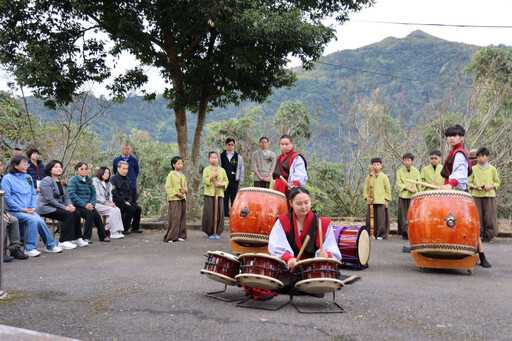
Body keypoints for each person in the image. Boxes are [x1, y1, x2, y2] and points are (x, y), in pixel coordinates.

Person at [440, 124, 491, 268]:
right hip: (453, 192)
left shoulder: (459, 154)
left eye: (455, 136)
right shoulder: (453, 152)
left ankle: (481, 255)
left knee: (468, 224)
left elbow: (461, 173)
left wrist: (451, 184)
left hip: (458, 193)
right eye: (449, 136)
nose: (451, 138)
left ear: (461, 137)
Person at [2, 155, 63, 257]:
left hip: (29, 210)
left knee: (39, 220)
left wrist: (32, 208)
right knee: (33, 220)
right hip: (15, 211)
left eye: (27, 164)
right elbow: (7, 198)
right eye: (24, 164)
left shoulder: (28, 177)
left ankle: (50, 245)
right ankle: (29, 248)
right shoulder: (7, 179)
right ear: (15, 165)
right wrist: (22, 209)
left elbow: (33, 195)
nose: (27, 166)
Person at [268, 186, 341, 268]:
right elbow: (275, 246)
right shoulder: (282, 222)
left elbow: (333, 249)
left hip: (314, 268)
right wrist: (288, 258)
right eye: (299, 204)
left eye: (306, 202)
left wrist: (326, 254)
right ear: (291, 203)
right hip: (290, 266)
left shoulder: (322, 223)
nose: (303, 207)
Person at [37, 160, 89, 249]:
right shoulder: (46, 181)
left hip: (58, 206)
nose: (59, 169)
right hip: (46, 207)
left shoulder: (62, 182)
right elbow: (50, 199)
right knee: (68, 214)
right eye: (56, 167)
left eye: (60, 167)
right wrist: (65, 207)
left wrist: (70, 206)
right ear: (50, 169)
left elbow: (66, 197)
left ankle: (76, 238)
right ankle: (63, 241)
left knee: (76, 212)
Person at [68, 162, 109, 243]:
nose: (84, 170)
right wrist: (85, 204)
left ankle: (103, 236)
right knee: (90, 214)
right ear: (77, 171)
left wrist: (91, 204)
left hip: (89, 205)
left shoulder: (89, 180)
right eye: (82, 169)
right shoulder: (73, 180)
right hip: (77, 205)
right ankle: (86, 237)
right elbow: (72, 195)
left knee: (96, 215)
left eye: (86, 169)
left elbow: (94, 194)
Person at [468, 147, 501, 242]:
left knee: (489, 215)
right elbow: (469, 182)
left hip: (490, 195)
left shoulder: (492, 169)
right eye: (478, 156)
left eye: (483, 156)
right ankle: (479, 235)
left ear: (488, 157)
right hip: (476, 195)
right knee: (477, 215)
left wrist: (490, 186)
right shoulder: (473, 169)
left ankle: (489, 235)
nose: (480, 158)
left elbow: (497, 182)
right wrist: (475, 187)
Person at [1, 159, 28, 262]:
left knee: (13, 220)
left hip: (3, 211)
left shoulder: (3, 180)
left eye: (0, 165)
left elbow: (2, 201)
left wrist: (4, 212)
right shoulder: (7, 179)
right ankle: (1, 252)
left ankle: (14, 249)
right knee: (3, 221)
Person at [93, 167, 125, 239]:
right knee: (113, 210)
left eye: (108, 173)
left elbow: (110, 195)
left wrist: (111, 203)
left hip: (106, 204)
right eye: (105, 173)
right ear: (100, 172)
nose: (107, 175)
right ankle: (113, 232)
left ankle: (118, 230)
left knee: (117, 209)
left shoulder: (108, 183)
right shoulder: (95, 181)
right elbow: (96, 196)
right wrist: (106, 203)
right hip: (97, 203)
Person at [202, 152, 229, 239]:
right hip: (210, 194)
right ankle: (210, 232)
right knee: (210, 213)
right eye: (212, 157)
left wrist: (221, 184)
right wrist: (212, 176)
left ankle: (218, 231)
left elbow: (226, 181)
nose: (214, 159)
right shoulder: (206, 169)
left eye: (215, 157)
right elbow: (205, 181)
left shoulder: (222, 170)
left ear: (218, 159)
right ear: (208, 159)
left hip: (219, 194)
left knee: (219, 212)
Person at [111, 161, 142, 234]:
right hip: (117, 201)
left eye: (127, 169)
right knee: (130, 209)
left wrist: (129, 200)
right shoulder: (113, 179)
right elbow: (114, 193)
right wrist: (124, 201)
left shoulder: (128, 179)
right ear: (118, 169)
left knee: (138, 209)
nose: (125, 171)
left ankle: (135, 228)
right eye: (123, 168)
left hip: (127, 201)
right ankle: (123, 228)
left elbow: (130, 192)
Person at [364, 158, 391, 239]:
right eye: (374, 165)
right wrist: (367, 197)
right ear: (372, 166)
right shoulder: (369, 177)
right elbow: (365, 189)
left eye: (378, 165)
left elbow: (387, 189)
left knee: (381, 219)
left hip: (381, 201)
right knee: (370, 219)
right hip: (371, 201)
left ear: (381, 166)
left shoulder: (384, 177)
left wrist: (386, 200)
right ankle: (371, 233)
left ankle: (380, 235)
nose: (376, 166)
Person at [396, 153, 420, 239]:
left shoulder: (416, 171)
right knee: (403, 215)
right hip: (403, 196)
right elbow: (399, 184)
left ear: (412, 161)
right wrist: (408, 188)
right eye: (405, 160)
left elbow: (418, 184)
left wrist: (417, 192)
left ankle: (412, 232)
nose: (406, 162)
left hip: (413, 197)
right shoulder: (400, 172)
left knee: (413, 215)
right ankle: (405, 233)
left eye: (408, 160)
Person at [164, 156, 187, 243]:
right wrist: (176, 193)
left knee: (182, 217)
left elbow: (185, 187)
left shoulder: (182, 176)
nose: (180, 165)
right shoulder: (170, 175)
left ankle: (181, 235)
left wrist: (184, 190)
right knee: (175, 217)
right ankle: (171, 236)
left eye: (181, 163)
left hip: (182, 198)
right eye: (178, 163)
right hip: (174, 199)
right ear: (173, 164)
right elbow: (168, 187)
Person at [219, 138, 244, 218]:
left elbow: (241, 168)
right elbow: (218, 167)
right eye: (229, 145)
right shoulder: (221, 156)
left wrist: (240, 179)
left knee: (234, 198)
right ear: (226, 146)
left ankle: (233, 214)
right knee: (225, 198)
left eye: (232, 145)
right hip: (224, 181)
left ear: (234, 146)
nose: (230, 146)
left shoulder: (238, 156)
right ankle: (225, 214)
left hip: (234, 180)